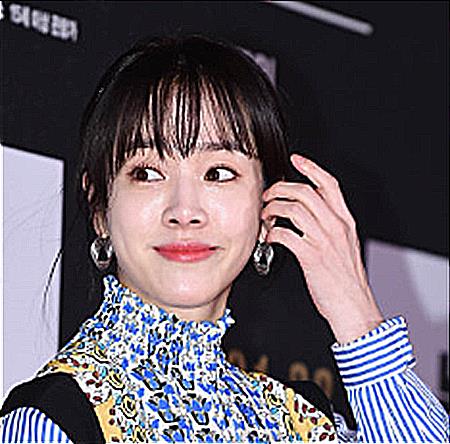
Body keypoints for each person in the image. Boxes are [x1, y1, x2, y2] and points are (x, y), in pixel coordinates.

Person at [1, 35, 448, 443]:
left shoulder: (300, 421)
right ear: (100, 208)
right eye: (147, 173)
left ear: (267, 206)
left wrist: (357, 318)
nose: (185, 211)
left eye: (218, 173)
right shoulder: (49, 423)